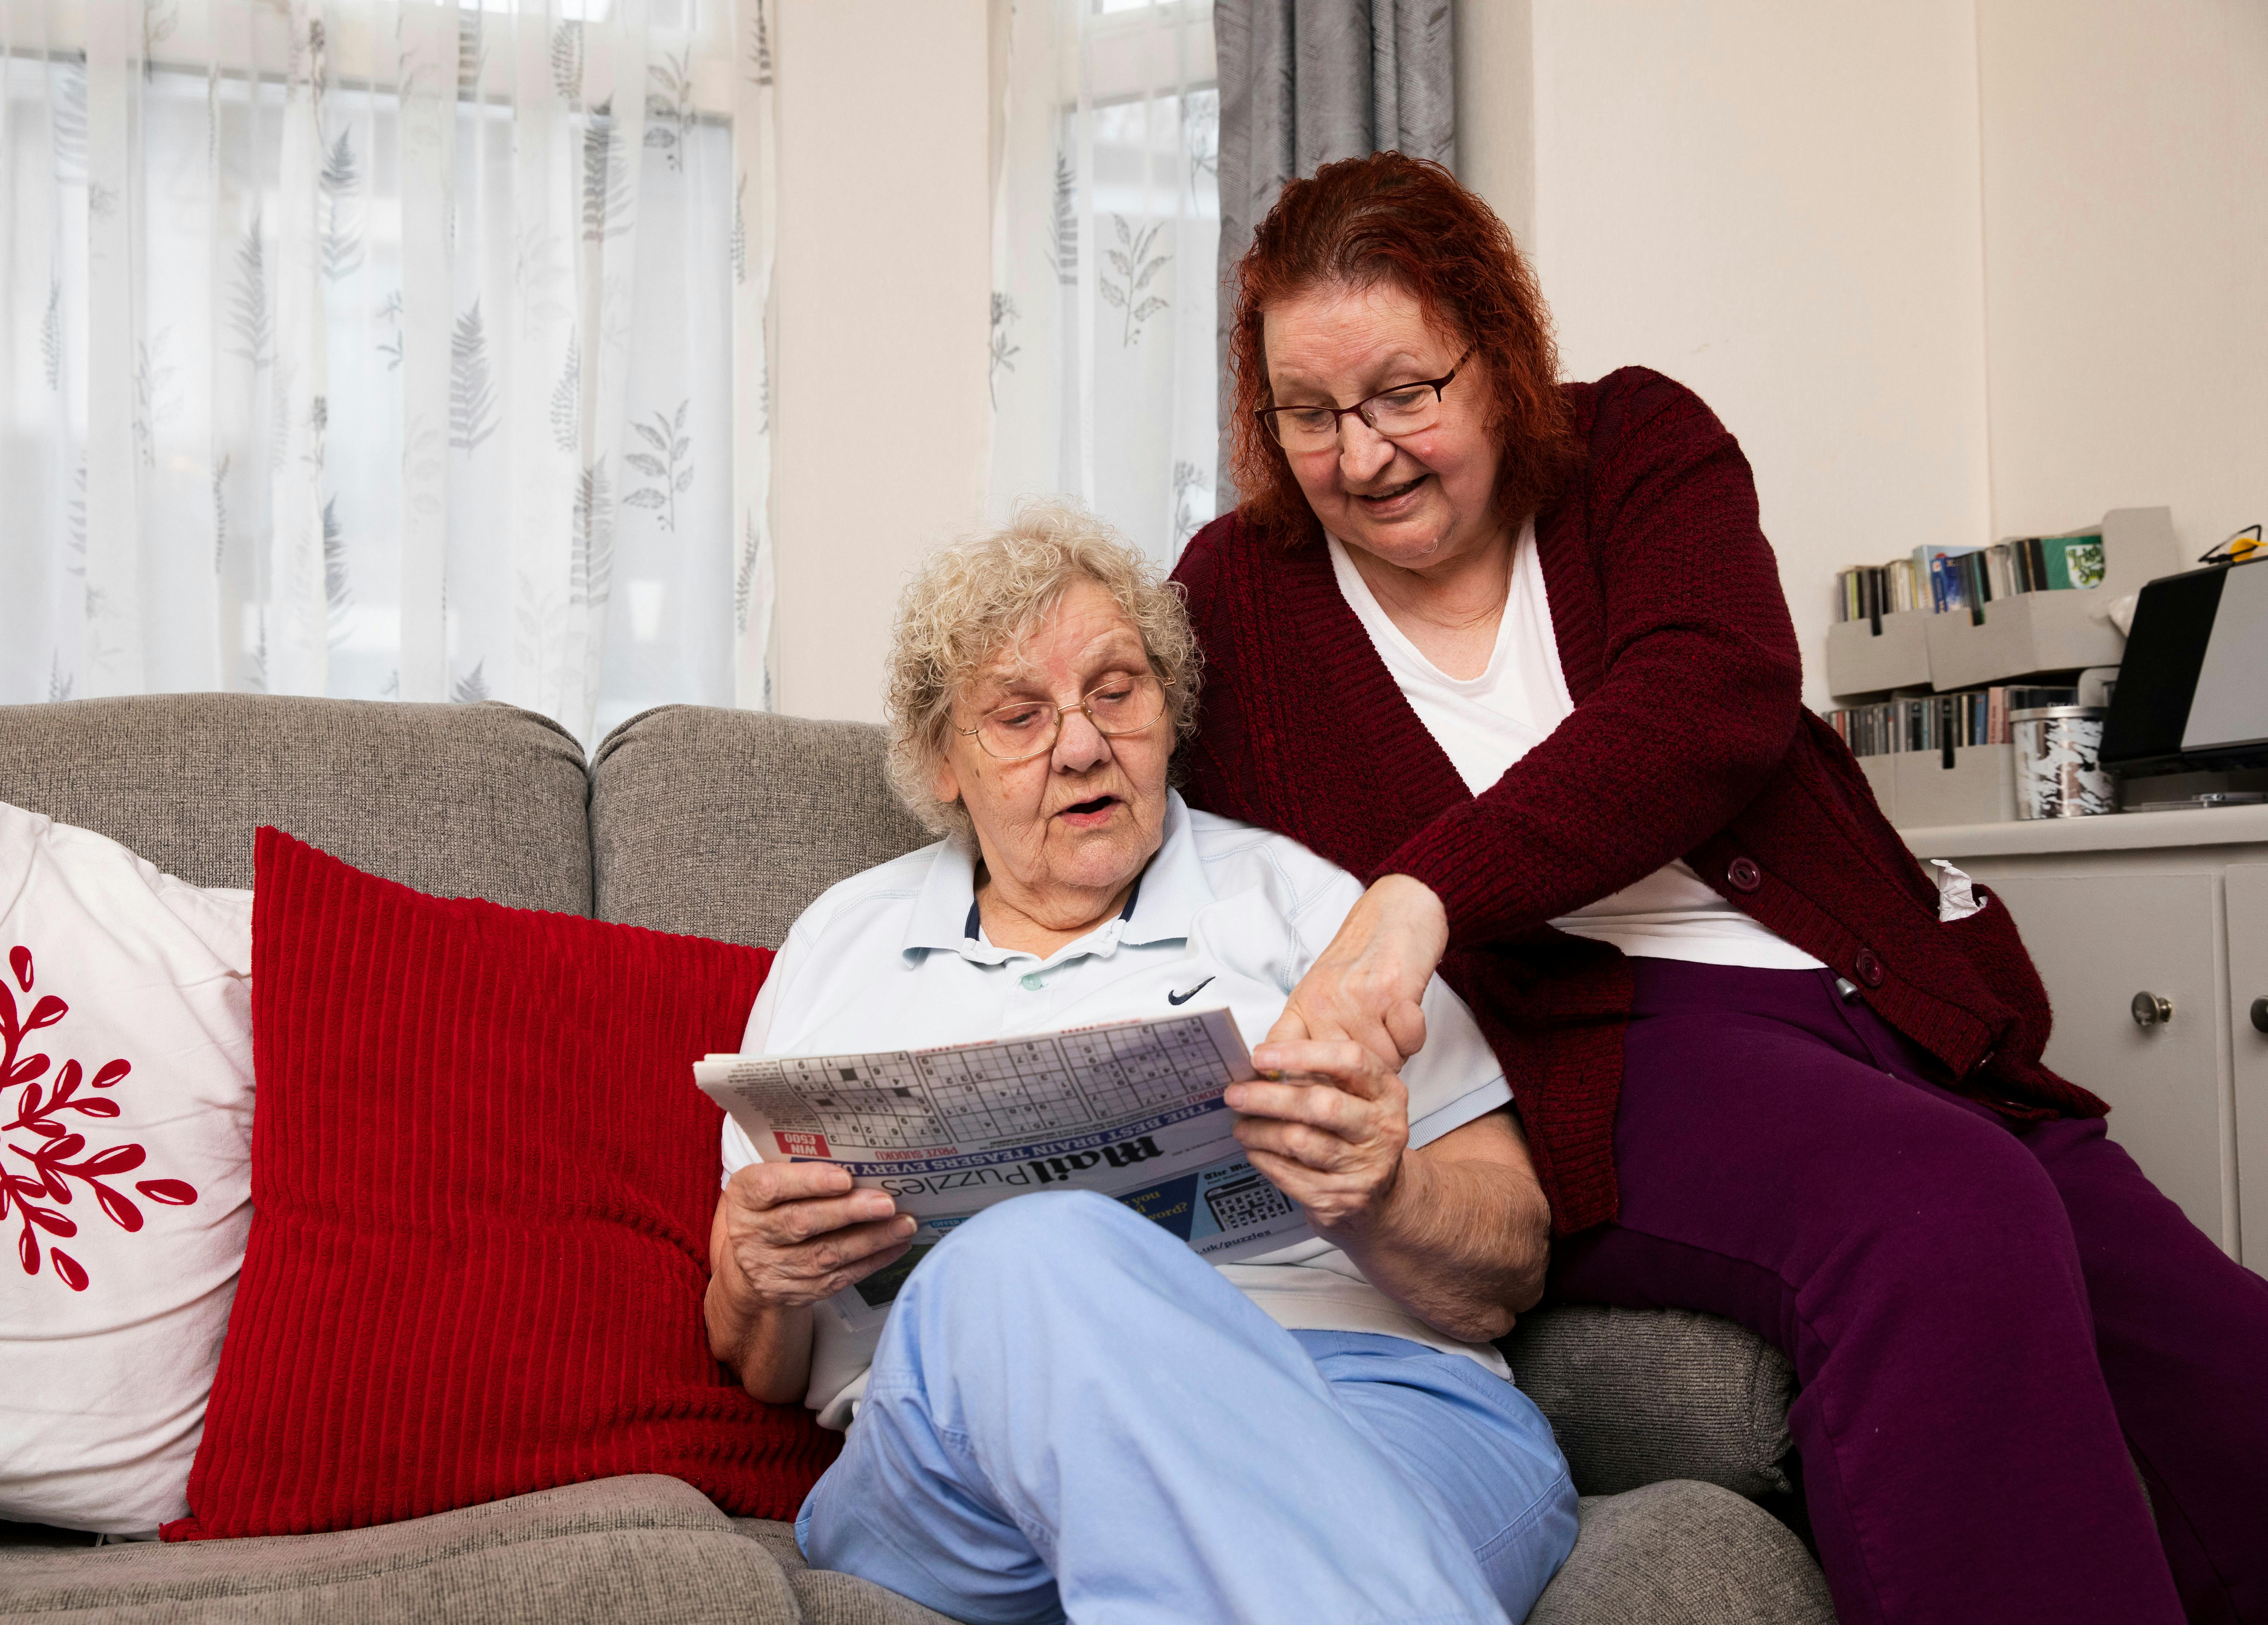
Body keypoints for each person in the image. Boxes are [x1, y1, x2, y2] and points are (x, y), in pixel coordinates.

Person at [1171, 149, 2268, 1625]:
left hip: (1872, 992)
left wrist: (1417, 892)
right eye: (1308, 414)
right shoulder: (1238, 594)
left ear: (1500, 351)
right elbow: (1103, 785)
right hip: (1601, 1050)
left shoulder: (1638, 443)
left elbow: (1712, 698)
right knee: (1941, 1212)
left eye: (1403, 394)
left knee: (2225, 1362)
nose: (1361, 455)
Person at [700, 506, 1577, 1625]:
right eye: (1019, 716)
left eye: (1116, 691)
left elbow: (1513, 1263)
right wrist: (758, 1280)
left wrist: (1384, 1194)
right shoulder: (845, 941)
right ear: (942, 764)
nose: (1081, 746)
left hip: (1355, 1397)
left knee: (1280, 1523)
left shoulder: (1306, 907)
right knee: (1027, 1258)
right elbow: (762, 1362)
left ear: (1170, 711)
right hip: (962, 1467)